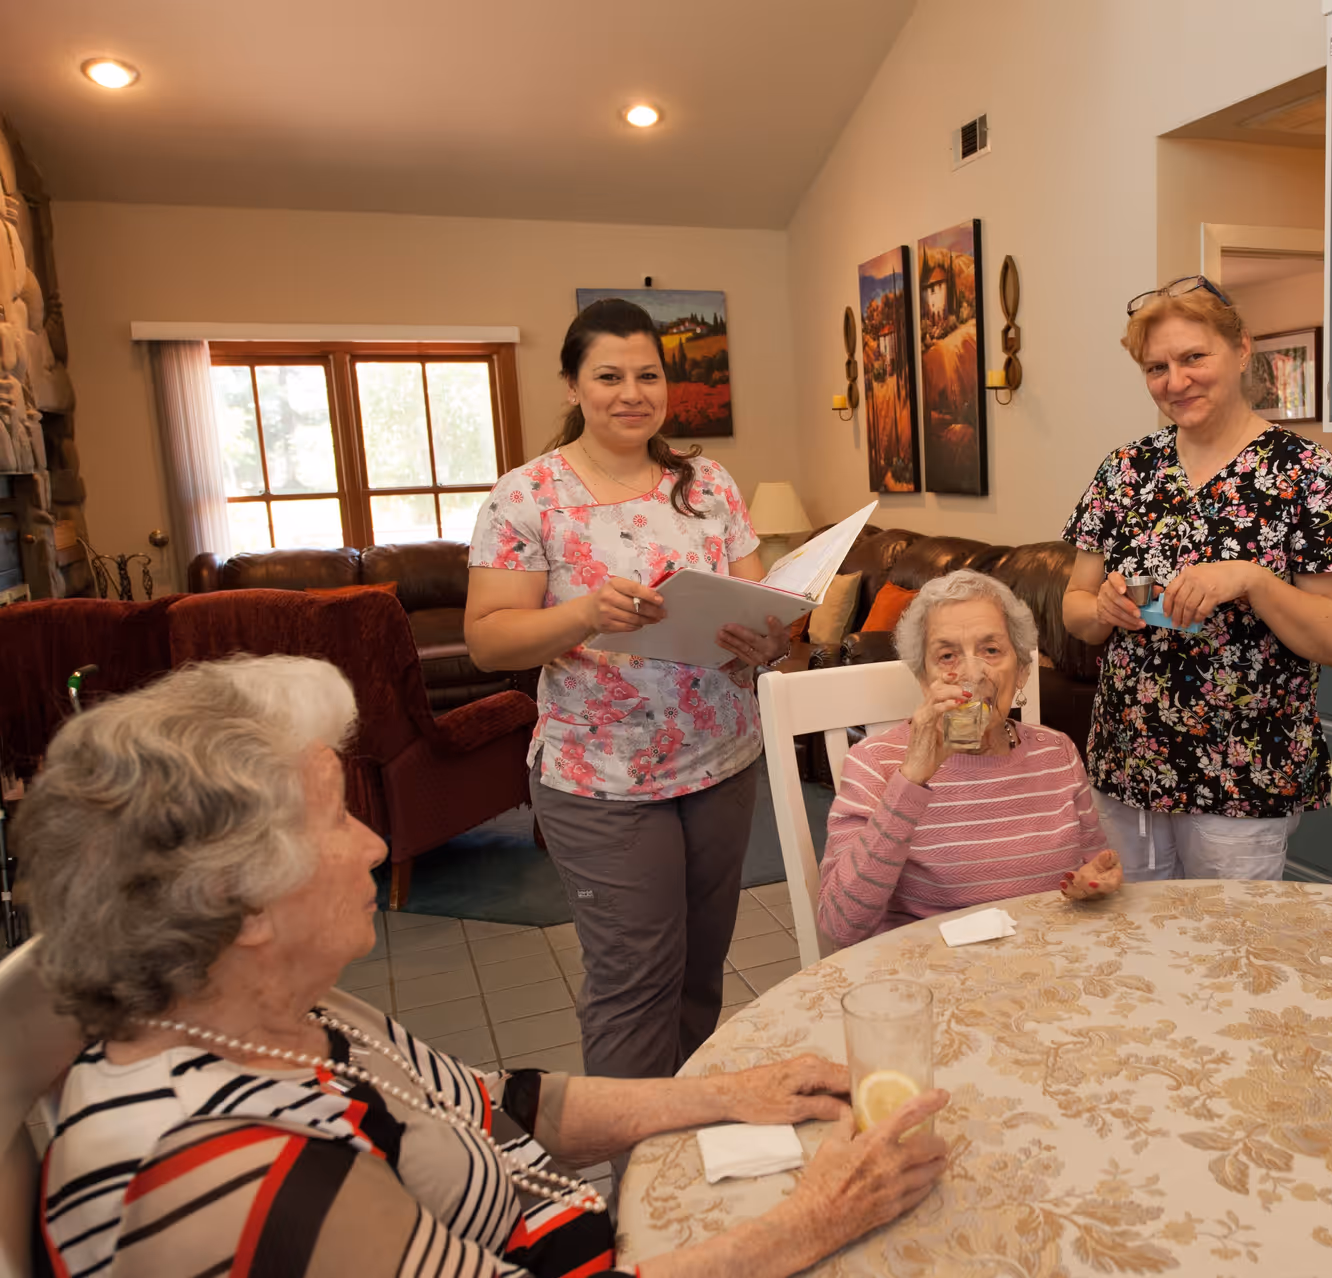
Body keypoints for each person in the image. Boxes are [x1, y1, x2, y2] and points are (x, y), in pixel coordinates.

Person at [21, 656, 949, 1278]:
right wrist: (809, 1225)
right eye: (337, 820)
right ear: (243, 903)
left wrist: (730, 1090)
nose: (377, 845)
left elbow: (506, 1101)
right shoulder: (226, 1173)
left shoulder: (268, 1008)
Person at [465, 299, 790, 1082]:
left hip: (723, 760)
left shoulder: (706, 482)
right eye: (608, 376)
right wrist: (583, 613)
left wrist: (770, 636)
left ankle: (688, 1141)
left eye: (648, 375)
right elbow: (486, 638)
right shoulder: (528, 494)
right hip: (601, 781)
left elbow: (764, 607)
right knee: (635, 980)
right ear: (574, 387)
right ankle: (632, 1171)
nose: (631, 392)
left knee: (702, 969)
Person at [1061, 276, 1332, 881]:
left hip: (1245, 772)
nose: (1175, 382)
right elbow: (1073, 605)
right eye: (1156, 368)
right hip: (1130, 763)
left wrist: (1254, 580)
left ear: (1242, 350)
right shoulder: (1125, 470)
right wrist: (1102, 608)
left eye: (1193, 357)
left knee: (1227, 959)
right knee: (1130, 946)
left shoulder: (1308, 473)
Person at [817, 570, 1122, 946]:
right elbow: (840, 925)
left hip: (1045, 967)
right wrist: (911, 779)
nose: (970, 672)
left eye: (991, 650)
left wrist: (1096, 881)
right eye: (947, 655)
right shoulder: (875, 762)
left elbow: (1092, 867)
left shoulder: (1056, 753)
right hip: (931, 979)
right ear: (923, 677)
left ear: (1023, 670)